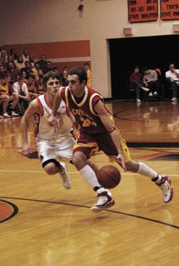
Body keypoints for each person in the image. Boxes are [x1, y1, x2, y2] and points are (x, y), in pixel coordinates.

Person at [48, 67, 173, 212]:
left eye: (73, 82)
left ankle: (160, 180)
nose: (69, 86)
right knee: (77, 159)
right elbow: (58, 97)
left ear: (83, 83)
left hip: (106, 134)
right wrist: (54, 113)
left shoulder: (94, 100)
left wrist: (119, 152)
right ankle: (103, 194)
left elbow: (111, 129)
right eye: (68, 82)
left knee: (129, 165)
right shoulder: (65, 92)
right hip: (87, 133)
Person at [21, 71, 74, 189]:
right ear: (45, 87)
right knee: (50, 169)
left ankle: (100, 188)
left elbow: (75, 118)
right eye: (51, 83)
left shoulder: (67, 99)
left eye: (57, 83)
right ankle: (61, 168)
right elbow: (24, 120)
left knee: (83, 161)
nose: (55, 85)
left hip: (64, 136)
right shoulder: (37, 103)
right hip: (45, 140)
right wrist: (25, 143)